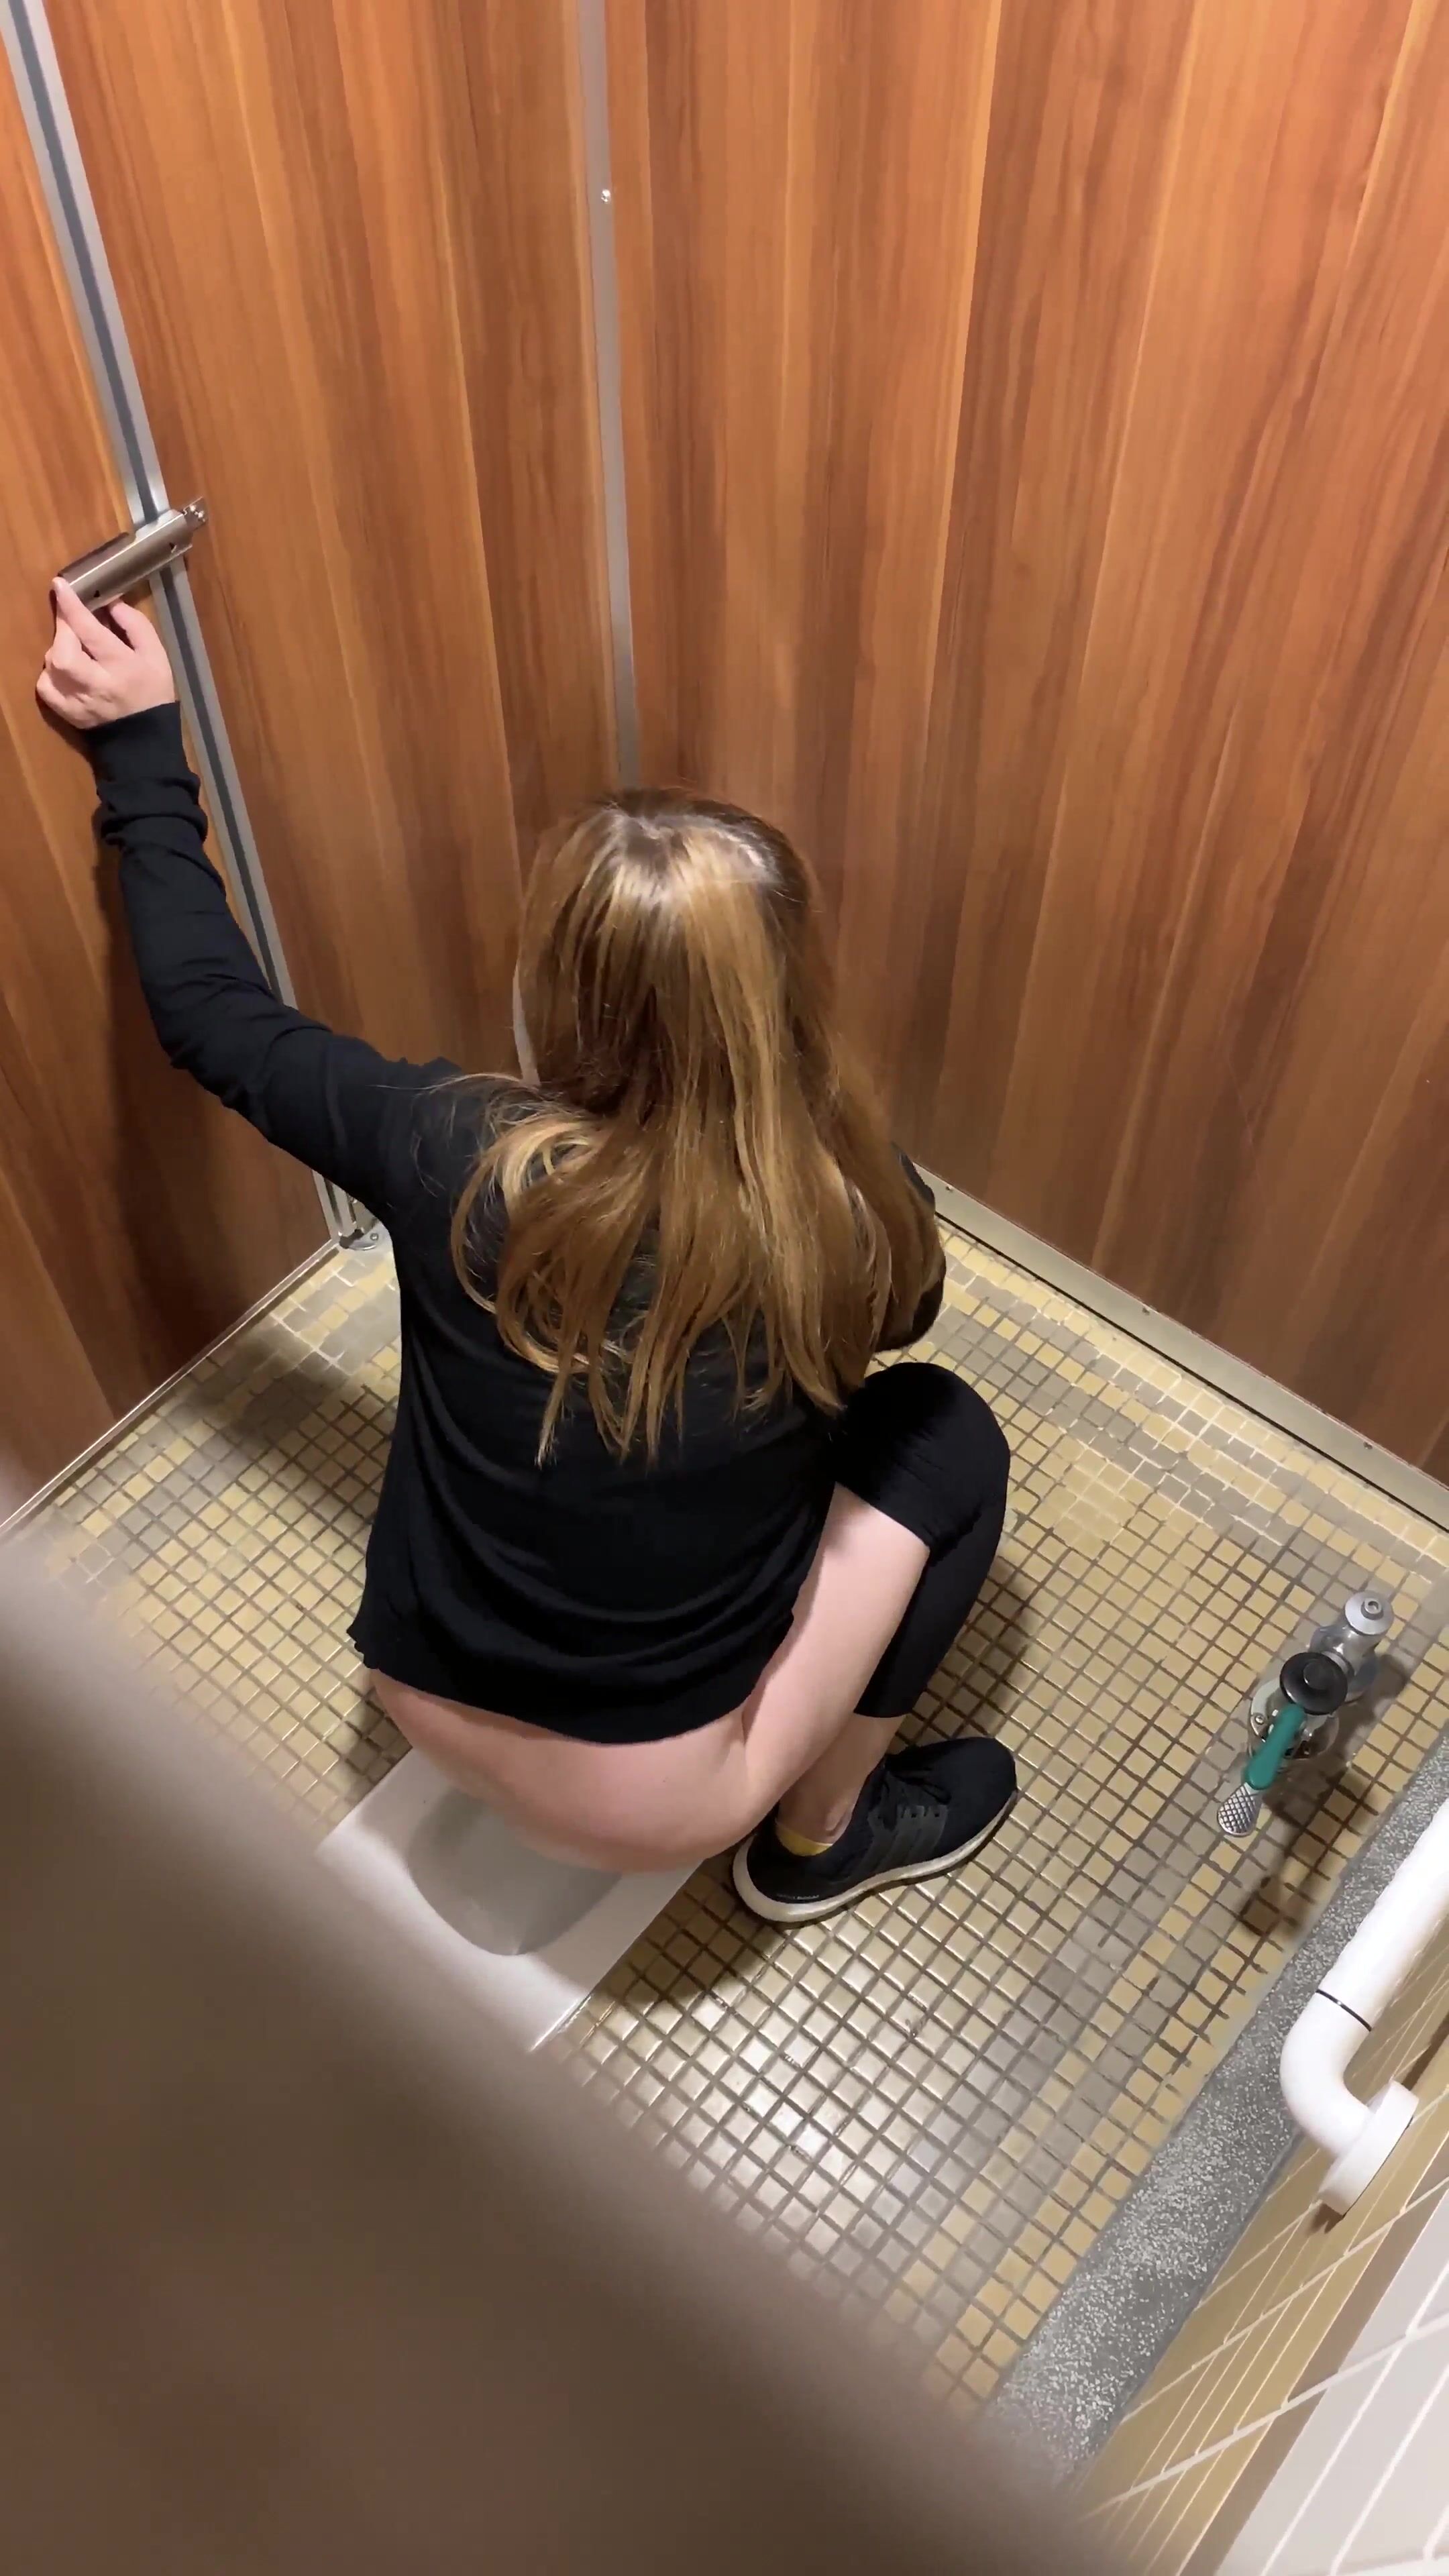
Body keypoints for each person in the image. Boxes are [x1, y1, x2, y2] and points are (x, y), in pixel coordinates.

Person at [38, 582, 1016, 1923]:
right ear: (787, 1000)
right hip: (658, 1802)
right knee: (942, 1434)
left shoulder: (446, 1151)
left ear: (549, 986)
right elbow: (893, 1332)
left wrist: (142, 746)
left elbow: (209, 1012)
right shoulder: (849, 1216)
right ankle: (819, 1837)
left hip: (414, 1691)